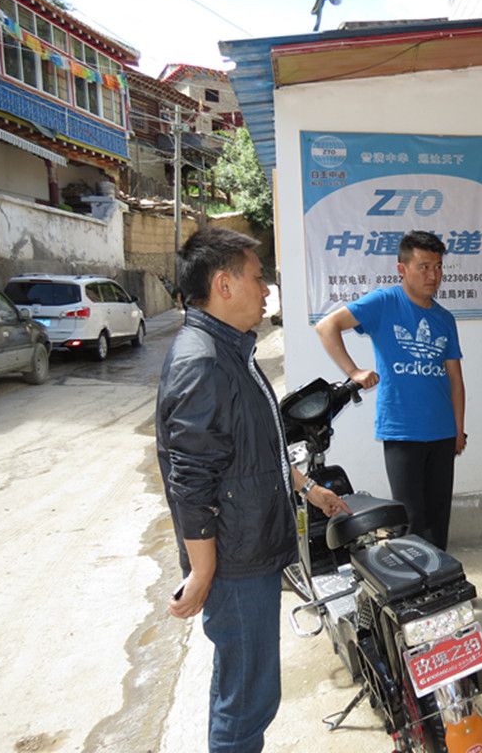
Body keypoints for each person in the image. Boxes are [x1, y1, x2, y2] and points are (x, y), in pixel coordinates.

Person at [156, 227, 351, 753]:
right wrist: (202, 572)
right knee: (246, 702)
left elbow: (253, 448)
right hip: (234, 564)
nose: (266, 290)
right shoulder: (203, 362)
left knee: (247, 690)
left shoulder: (229, 350)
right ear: (223, 284)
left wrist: (307, 488)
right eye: (258, 277)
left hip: (249, 550)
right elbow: (191, 479)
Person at [315, 230, 465, 551]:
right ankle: (413, 577)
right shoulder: (385, 302)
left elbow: (455, 378)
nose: (433, 275)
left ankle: (438, 575)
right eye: (424, 267)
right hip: (402, 430)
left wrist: (458, 429)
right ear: (402, 269)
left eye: (438, 267)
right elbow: (326, 326)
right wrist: (353, 372)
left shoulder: (444, 318)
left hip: (442, 431)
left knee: (439, 518)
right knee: (411, 518)